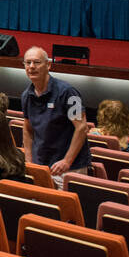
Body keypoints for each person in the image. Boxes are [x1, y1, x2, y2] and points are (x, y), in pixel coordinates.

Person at [20, 46, 90, 180]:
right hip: (41, 165)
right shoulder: (26, 96)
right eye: (28, 63)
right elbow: (27, 129)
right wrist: (28, 159)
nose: (31, 66)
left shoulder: (68, 93)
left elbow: (81, 128)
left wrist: (67, 161)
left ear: (48, 65)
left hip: (69, 168)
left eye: (37, 62)